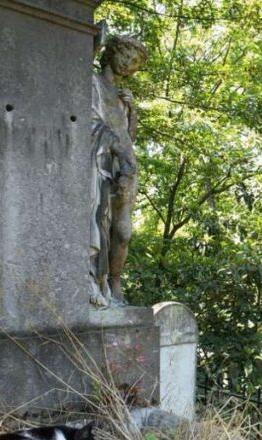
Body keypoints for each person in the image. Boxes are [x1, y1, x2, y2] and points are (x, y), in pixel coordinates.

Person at [89, 34, 147, 308]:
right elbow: (92, 124)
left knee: (123, 232)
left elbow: (129, 136)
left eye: (135, 64)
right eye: (127, 57)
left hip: (127, 167)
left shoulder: (123, 98)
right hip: (103, 163)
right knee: (101, 226)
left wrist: (133, 110)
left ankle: (116, 281)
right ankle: (101, 283)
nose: (129, 65)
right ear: (113, 52)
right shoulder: (94, 84)